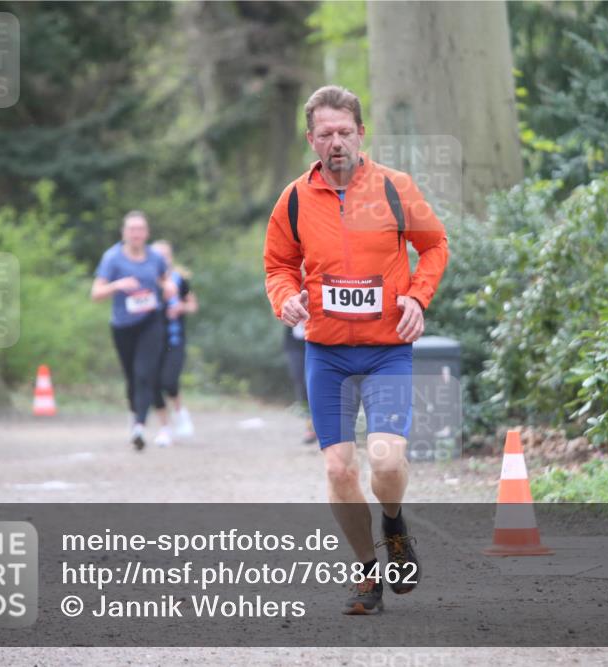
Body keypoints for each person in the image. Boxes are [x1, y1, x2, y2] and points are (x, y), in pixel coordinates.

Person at [264, 85, 449, 615]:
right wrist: (285, 299)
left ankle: (394, 525)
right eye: (326, 134)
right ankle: (368, 574)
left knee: (387, 461)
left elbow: (434, 245)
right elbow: (278, 264)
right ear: (311, 139)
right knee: (339, 470)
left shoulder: (395, 188)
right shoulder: (295, 199)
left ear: (361, 133)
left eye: (345, 131)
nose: (336, 141)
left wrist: (417, 296)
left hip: (387, 349)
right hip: (326, 353)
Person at [91, 211, 173, 450]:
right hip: (123, 326)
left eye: (141, 229)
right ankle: (135, 416)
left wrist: (167, 287)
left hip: (151, 321)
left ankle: (139, 426)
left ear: (147, 233)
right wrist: (118, 285)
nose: (136, 234)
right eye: (132, 229)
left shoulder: (155, 257)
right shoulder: (112, 258)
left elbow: (165, 279)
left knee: (144, 373)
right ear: (124, 232)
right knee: (131, 376)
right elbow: (95, 293)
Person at [149, 240, 197, 446]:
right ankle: (164, 428)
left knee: (168, 381)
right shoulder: (145, 280)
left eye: (165, 256)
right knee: (152, 384)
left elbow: (192, 305)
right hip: (149, 340)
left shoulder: (180, 279)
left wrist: (180, 308)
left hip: (174, 339)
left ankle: (179, 411)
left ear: (170, 257)